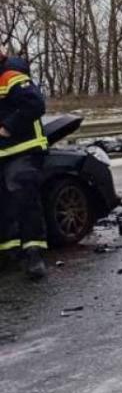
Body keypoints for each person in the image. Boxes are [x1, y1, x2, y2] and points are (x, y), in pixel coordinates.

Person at [0, 46, 49, 281]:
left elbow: (35, 104)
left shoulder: (11, 75)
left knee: (23, 196)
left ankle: (34, 254)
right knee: (4, 205)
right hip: (2, 153)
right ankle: (9, 253)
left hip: (23, 149)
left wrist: (8, 126)